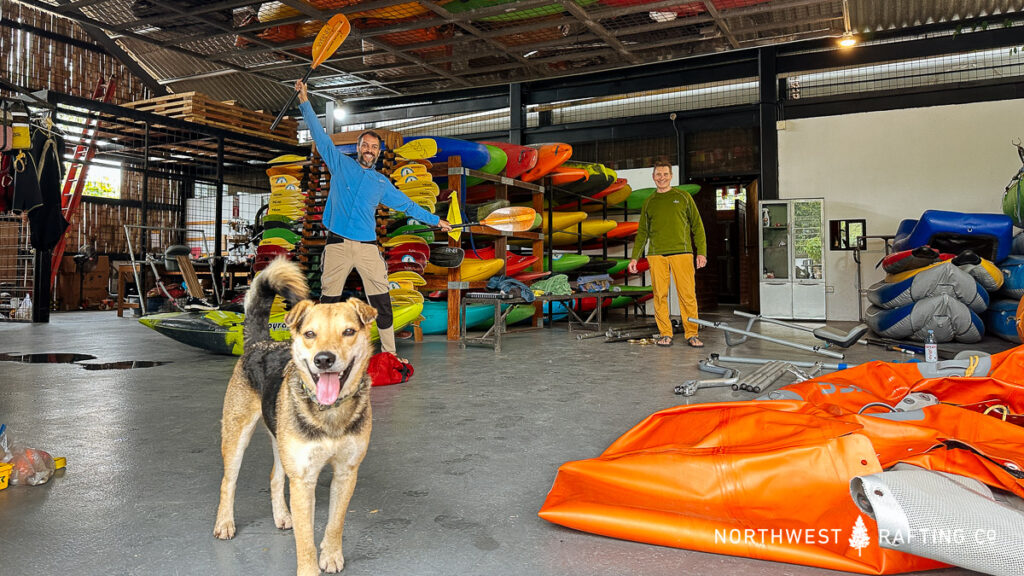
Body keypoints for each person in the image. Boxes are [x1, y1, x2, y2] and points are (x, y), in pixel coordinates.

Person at [296, 80, 451, 360]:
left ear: (378, 153)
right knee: (328, 304)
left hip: (367, 248)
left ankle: (390, 354)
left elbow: (407, 204)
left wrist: (435, 221)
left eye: (374, 147)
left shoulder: (381, 182)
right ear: (358, 148)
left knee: (381, 301)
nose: (369, 149)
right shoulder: (340, 164)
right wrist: (304, 101)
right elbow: (320, 136)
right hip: (337, 246)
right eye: (365, 145)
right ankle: (321, 353)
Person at [628, 160, 707, 347]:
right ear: (653, 177)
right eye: (658, 174)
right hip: (656, 255)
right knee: (660, 295)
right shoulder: (649, 202)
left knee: (687, 295)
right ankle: (665, 333)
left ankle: (692, 334)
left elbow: (698, 226)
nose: (661, 177)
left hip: (683, 253)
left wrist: (701, 252)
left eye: (665, 174)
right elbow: (642, 232)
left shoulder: (684, 196)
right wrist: (634, 257)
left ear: (671, 176)